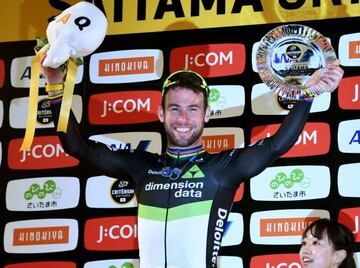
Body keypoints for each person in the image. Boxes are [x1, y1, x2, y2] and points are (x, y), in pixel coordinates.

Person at [41, 50, 344, 267]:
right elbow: (76, 146)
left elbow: (278, 145)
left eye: (193, 108)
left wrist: (308, 94)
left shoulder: (221, 169)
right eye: (174, 108)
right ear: (161, 113)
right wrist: (55, 84)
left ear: (208, 114)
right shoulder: (142, 167)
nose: (183, 118)